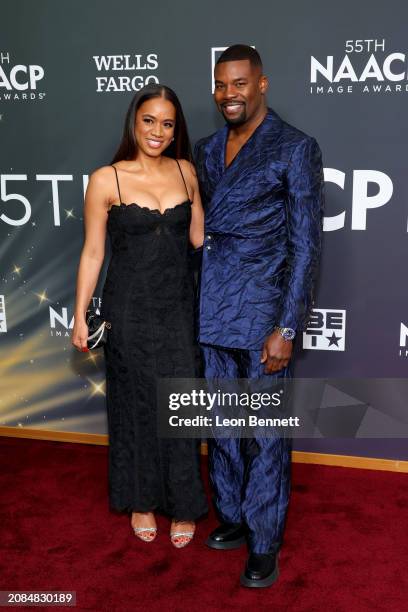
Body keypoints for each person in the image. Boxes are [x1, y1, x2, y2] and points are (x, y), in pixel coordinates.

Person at [194, 45, 324, 586]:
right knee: (223, 428)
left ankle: (265, 540)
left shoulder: (294, 148)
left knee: (265, 432)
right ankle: (234, 517)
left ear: (263, 84)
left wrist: (287, 326)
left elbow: (306, 246)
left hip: (264, 315)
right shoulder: (204, 150)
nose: (230, 94)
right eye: (223, 84)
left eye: (240, 83)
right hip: (212, 310)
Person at [72, 84, 208, 548]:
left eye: (167, 124)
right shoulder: (105, 179)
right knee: (134, 405)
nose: (157, 131)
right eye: (149, 120)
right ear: (135, 121)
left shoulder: (186, 171)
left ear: (176, 130)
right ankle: (141, 501)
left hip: (178, 309)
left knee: (180, 404)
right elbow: (93, 252)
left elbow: (200, 242)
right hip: (127, 309)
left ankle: (184, 505)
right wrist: (80, 316)